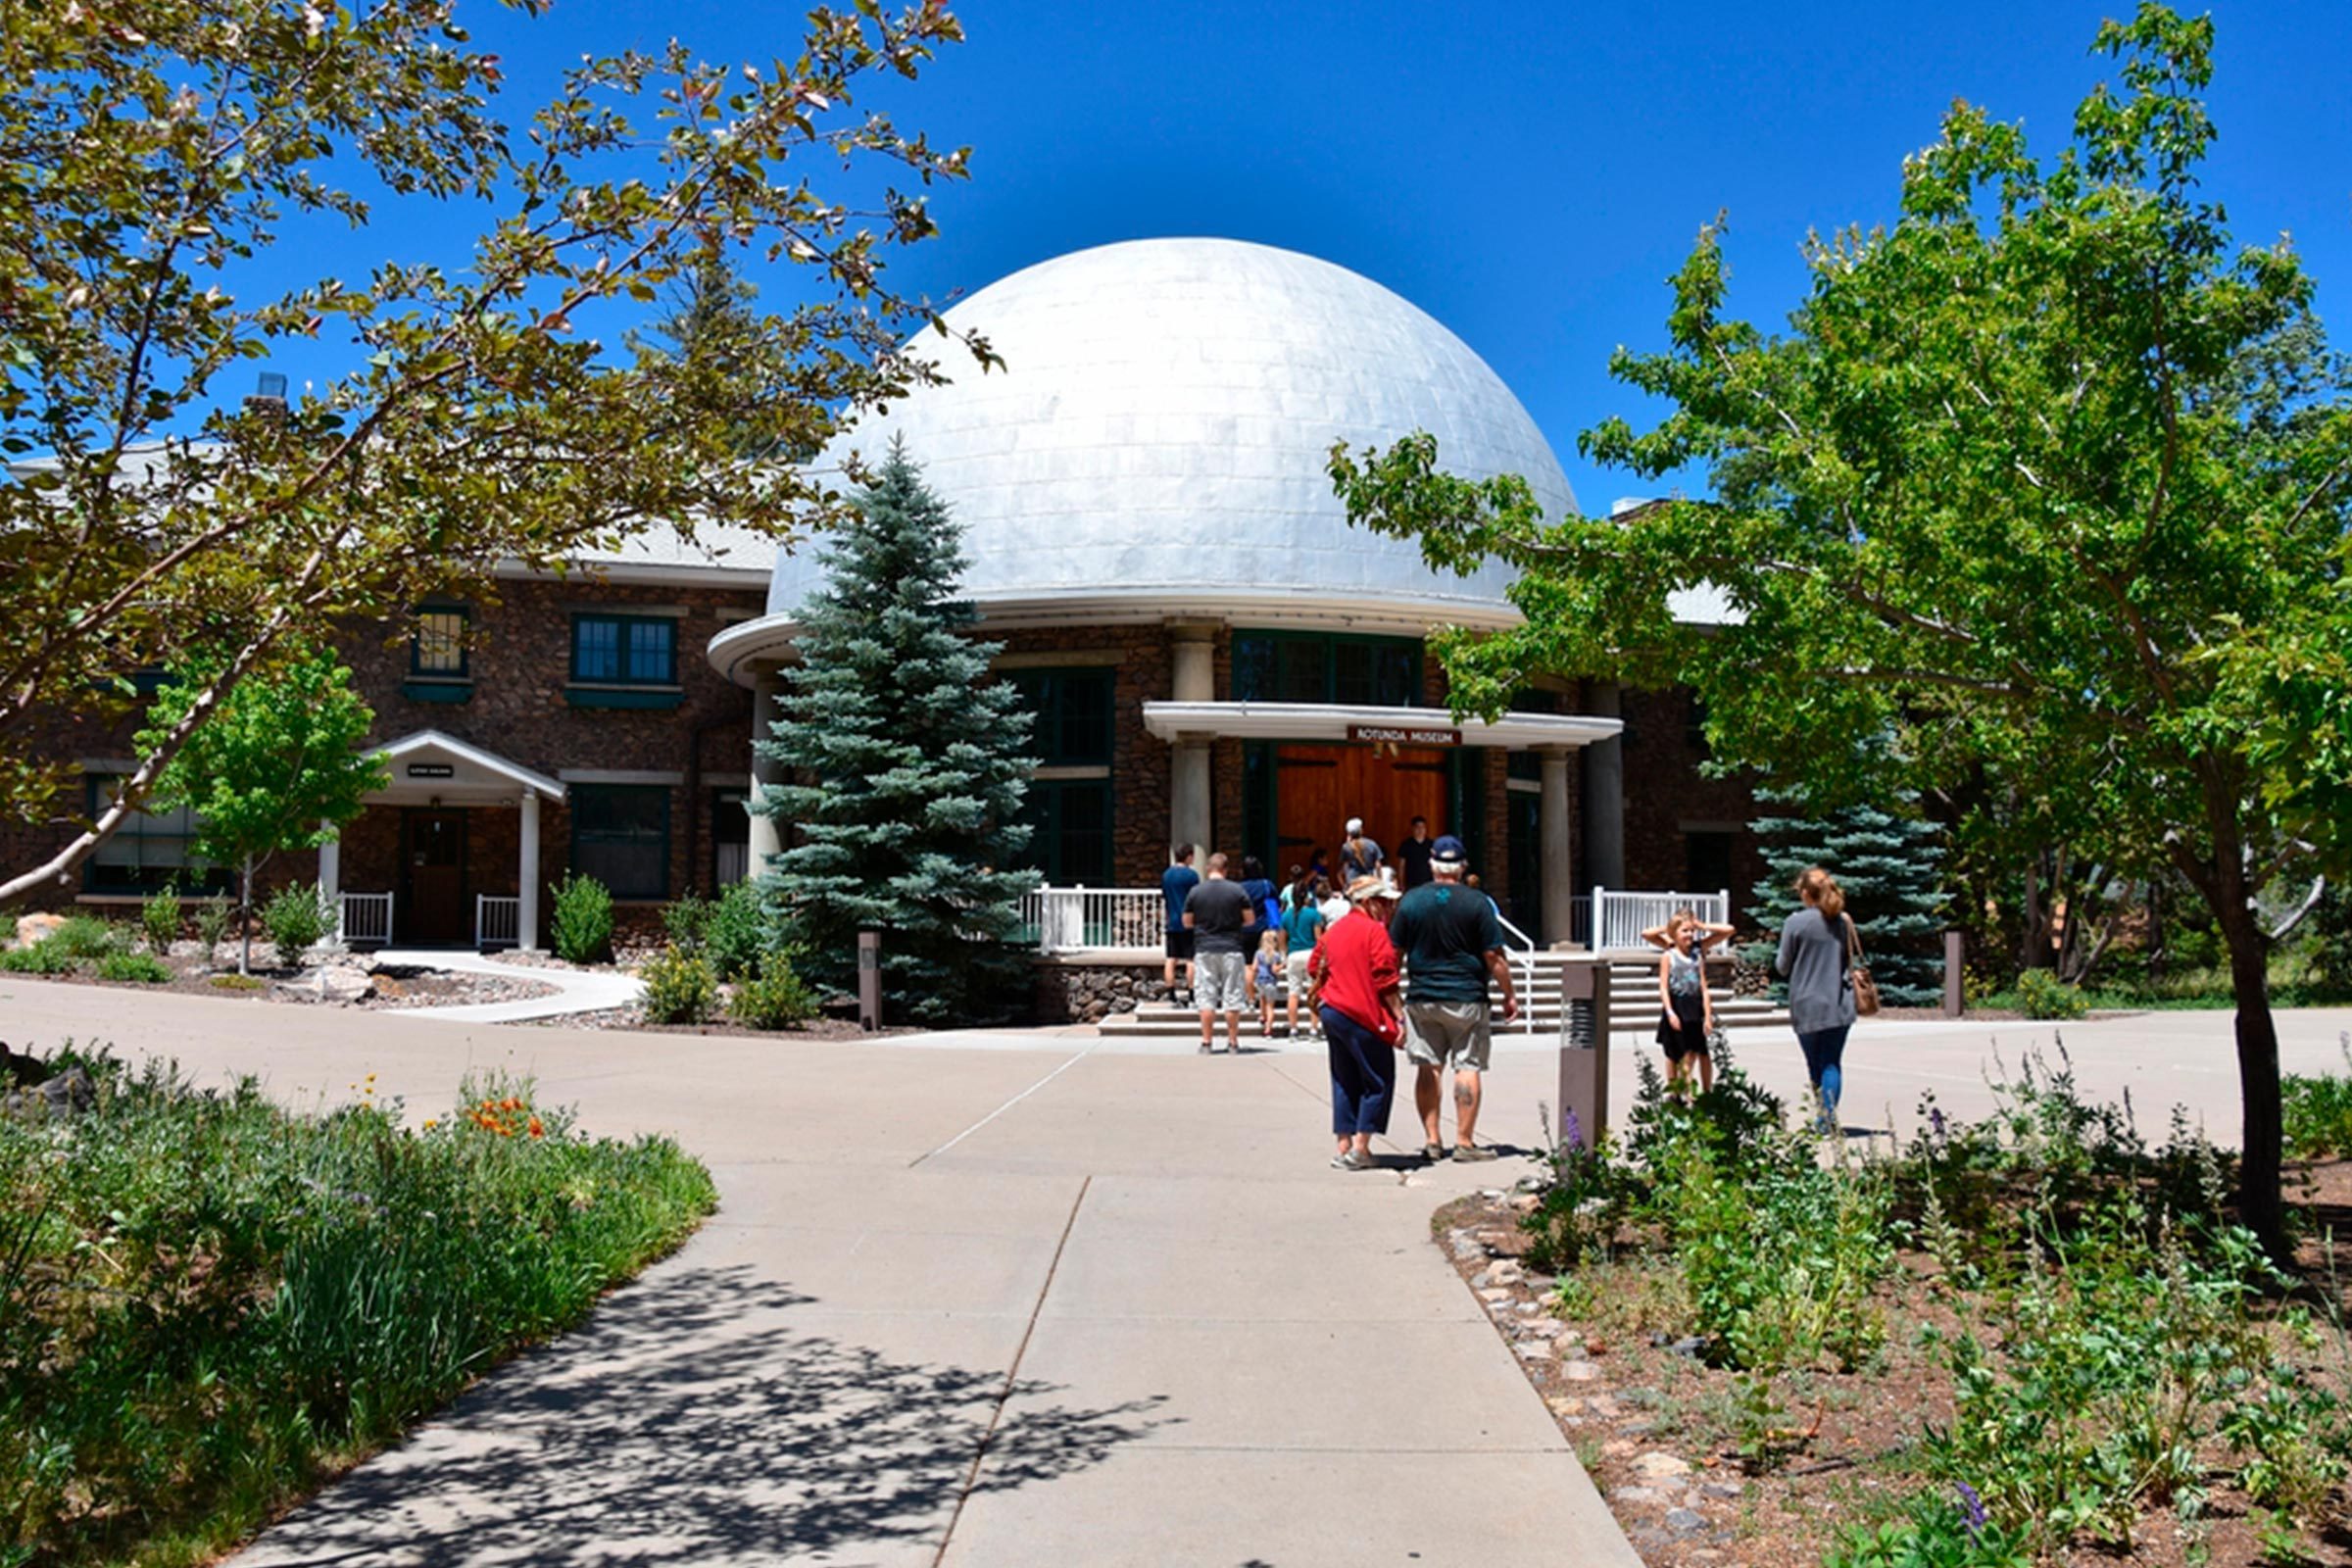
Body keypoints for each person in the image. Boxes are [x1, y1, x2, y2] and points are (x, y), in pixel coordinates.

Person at [1387, 835, 1518, 1163]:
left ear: (1432, 864)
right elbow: (1493, 955)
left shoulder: (1411, 901)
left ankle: (1432, 1139)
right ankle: (1464, 1141)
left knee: (1428, 1067)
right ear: (1461, 867)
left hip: (1422, 996)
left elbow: (1394, 954)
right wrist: (1509, 994)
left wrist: (1392, 998)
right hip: (1467, 996)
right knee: (1467, 1065)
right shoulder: (1478, 903)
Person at [1308, 875, 1403, 1170]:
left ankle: (1344, 1145)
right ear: (1368, 903)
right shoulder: (1375, 931)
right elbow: (1385, 976)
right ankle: (1361, 1148)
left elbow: (1314, 965)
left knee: (1343, 1077)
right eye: (1384, 902)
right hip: (1361, 1012)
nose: (1389, 908)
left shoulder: (1334, 931)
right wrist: (1399, 1016)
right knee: (1378, 1078)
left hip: (1333, 1010)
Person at [1776, 866, 1858, 1131]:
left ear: (1804, 893)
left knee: (1815, 1063)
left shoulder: (1795, 923)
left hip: (1806, 1002)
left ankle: (1824, 1117)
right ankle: (1827, 1117)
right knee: (1832, 1061)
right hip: (1839, 1001)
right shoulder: (1841, 921)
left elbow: (1783, 966)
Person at [1183, 852, 1256, 1054]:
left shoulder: (1195, 892)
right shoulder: (1237, 891)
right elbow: (1250, 920)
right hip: (1232, 947)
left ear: (1208, 869)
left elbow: (1187, 922)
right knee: (1232, 996)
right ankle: (1232, 1042)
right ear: (1225, 869)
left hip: (1205, 947)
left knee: (1206, 995)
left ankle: (1207, 1042)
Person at [1653, 912, 1716, 1098]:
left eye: (1691, 930)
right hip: (1677, 1005)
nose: (1689, 934)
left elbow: (1703, 987)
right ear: (1674, 934)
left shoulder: (1697, 955)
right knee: (1676, 1053)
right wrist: (1670, 1012)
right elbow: (1663, 987)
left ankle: (1706, 1093)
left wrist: (1708, 1015)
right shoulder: (1668, 956)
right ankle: (1679, 1094)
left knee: (1700, 1051)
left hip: (1694, 1006)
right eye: (1684, 930)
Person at [1281, 869, 1328, 1037]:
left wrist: (1284, 955)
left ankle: (1293, 1028)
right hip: (1310, 953)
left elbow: (1282, 937)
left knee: (1293, 993)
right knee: (1313, 992)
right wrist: (1322, 955)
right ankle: (1313, 1028)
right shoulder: (1313, 914)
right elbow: (1318, 937)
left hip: (1294, 954)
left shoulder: (1286, 915)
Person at [1161, 845, 1199, 1000]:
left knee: (1171, 959)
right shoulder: (1191, 876)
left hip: (1172, 921)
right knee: (1191, 959)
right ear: (1188, 856)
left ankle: (1171, 993)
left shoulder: (1167, 875)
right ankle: (1192, 993)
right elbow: (1196, 897)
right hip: (1189, 922)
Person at [1247, 927, 1286, 1038]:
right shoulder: (1275, 955)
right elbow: (1274, 970)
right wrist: (1282, 965)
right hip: (1271, 981)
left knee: (1262, 999)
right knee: (1270, 1006)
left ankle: (1262, 1016)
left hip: (1260, 981)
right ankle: (1268, 1029)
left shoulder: (1258, 953)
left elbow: (1254, 967)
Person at [1239, 856, 1280, 934]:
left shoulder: (1239, 888)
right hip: (1264, 929)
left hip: (1244, 929)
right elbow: (1277, 905)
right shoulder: (1267, 885)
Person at [1339, 818, 1384, 884]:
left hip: (1353, 882)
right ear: (1361, 830)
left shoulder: (1346, 847)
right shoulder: (1372, 844)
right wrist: (1380, 881)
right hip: (1368, 881)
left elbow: (1344, 867)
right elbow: (1378, 865)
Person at [1397, 815, 1435, 890]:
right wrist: (1401, 883)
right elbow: (1401, 866)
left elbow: (1435, 864)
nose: (1420, 830)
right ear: (1413, 828)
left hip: (1428, 882)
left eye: (1423, 827)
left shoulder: (1432, 844)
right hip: (1411, 883)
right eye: (1417, 827)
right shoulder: (1406, 845)